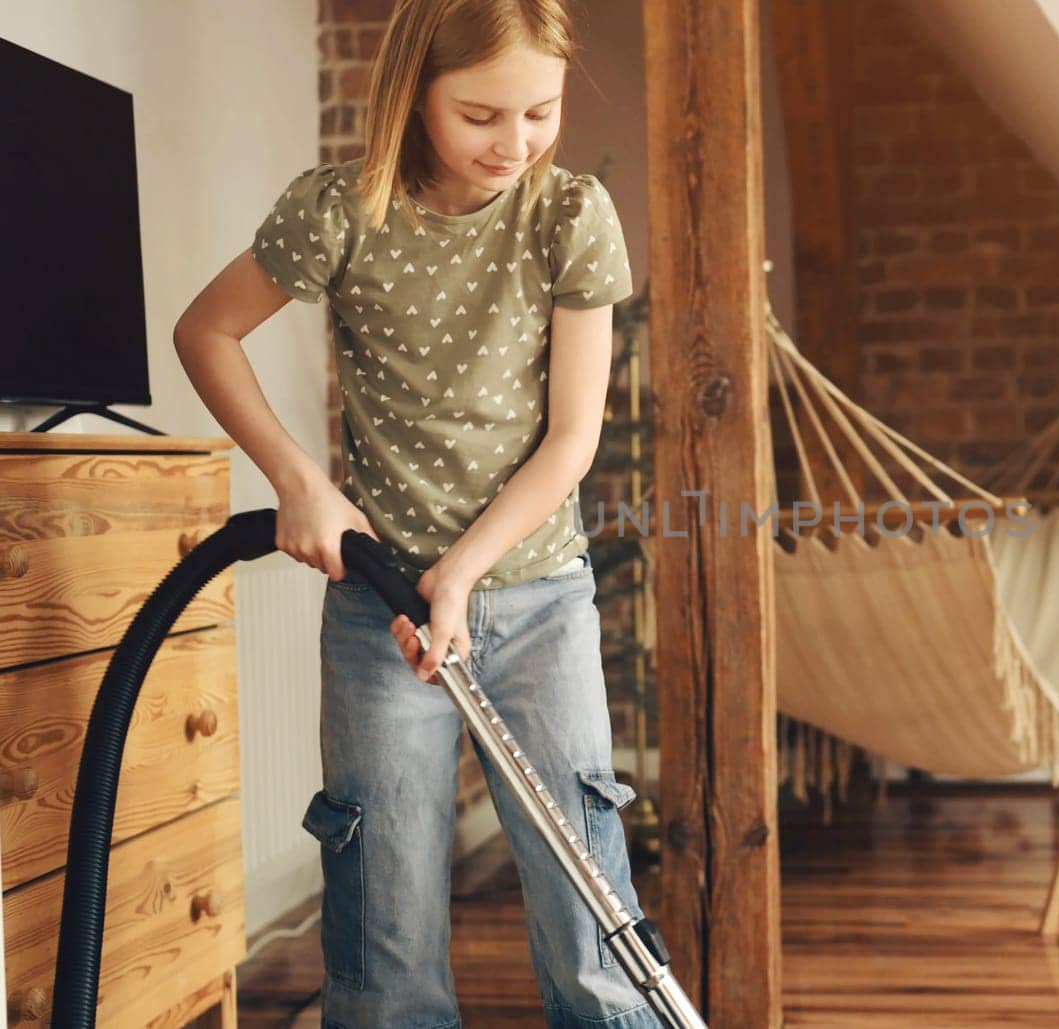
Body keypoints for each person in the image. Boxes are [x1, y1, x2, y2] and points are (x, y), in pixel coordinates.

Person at [173, 1, 660, 1025]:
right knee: (380, 916)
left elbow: (571, 441)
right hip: (377, 612)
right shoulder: (341, 212)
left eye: (540, 111)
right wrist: (300, 482)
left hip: (537, 605)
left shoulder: (569, 215)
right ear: (414, 94)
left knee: (589, 907)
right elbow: (206, 332)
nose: (515, 143)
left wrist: (465, 573)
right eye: (481, 114)